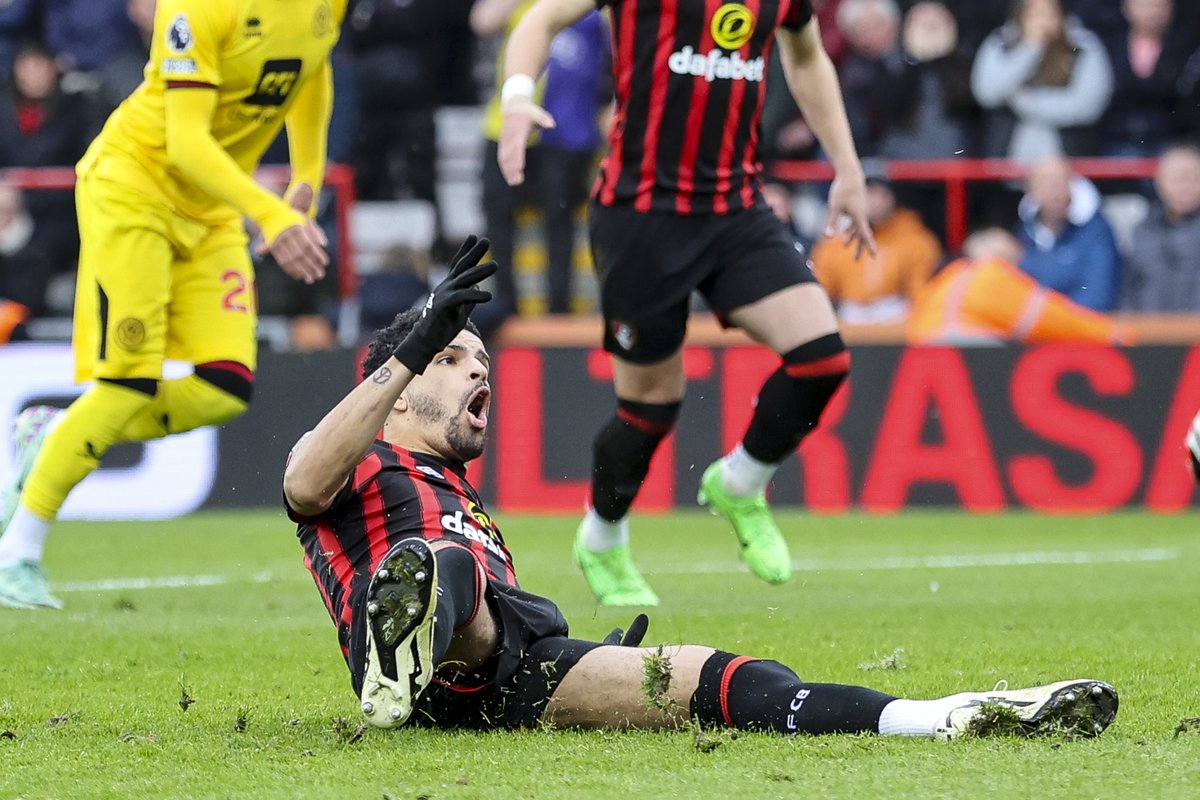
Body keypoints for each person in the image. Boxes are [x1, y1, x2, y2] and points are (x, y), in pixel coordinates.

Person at [282, 242, 1120, 737]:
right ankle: (402, 637)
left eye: (483, 358)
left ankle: (946, 716)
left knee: (706, 678)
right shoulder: (358, 457)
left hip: (498, 681)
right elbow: (302, 480)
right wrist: (410, 347)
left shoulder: (459, 498)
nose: (478, 368)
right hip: (421, 649)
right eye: (457, 356)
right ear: (403, 380)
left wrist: (583, 642)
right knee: (439, 561)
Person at [498, 0, 876, 606]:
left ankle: (741, 482)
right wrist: (518, 95)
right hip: (641, 214)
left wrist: (848, 166)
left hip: (734, 208)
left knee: (822, 358)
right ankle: (601, 539)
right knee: (651, 406)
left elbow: (807, 57)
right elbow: (538, 20)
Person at [0, 0, 343, 609]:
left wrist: (305, 183)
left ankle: (52, 436)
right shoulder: (197, 7)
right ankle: (17, 554)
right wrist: (271, 213)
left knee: (223, 387)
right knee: (128, 383)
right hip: (133, 189)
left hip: (207, 211)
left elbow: (312, 68)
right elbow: (185, 142)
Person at [907, 227, 1131, 345]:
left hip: (921, 362)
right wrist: (1116, 334)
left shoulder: (945, 279)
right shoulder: (993, 277)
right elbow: (1054, 318)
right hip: (966, 359)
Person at [970, 0, 1112, 162]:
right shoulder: (1000, 42)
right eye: (1033, 13)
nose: (1041, 20)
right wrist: (1031, 48)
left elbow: (1087, 107)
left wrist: (1025, 102)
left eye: (1049, 12)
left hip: (1069, 166)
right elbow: (986, 94)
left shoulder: (1083, 45)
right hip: (1007, 168)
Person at [810, 168, 941, 324]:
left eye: (878, 193)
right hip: (848, 314)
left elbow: (921, 294)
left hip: (896, 313)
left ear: (892, 197)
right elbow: (822, 292)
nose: (873, 201)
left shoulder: (915, 239)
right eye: (866, 193)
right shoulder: (834, 241)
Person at [1015, 156, 1122, 312]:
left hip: (1079, 329)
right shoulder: (1023, 231)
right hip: (1036, 328)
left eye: (1060, 181)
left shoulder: (1097, 231)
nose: (1054, 190)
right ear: (1031, 190)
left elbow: (1098, 295)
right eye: (1045, 182)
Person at [1121, 142, 1200, 311]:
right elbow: (1129, 291)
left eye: (1192, 178)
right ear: (1160, 182)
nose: (1185, 186)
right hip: (1149, 333)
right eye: (1177, 178)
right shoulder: (1142, 232)